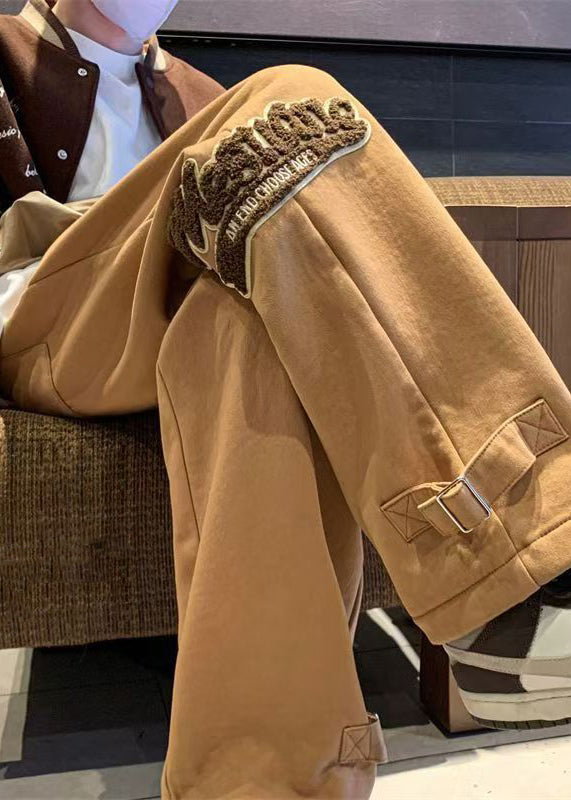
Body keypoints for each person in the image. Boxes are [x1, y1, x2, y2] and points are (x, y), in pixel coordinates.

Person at [1, 1, 571, 798]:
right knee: (293, 101)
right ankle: (518, 548)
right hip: (46, 320)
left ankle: (264, 780)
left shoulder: (193, 91)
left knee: (241, 331)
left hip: (172, 318)